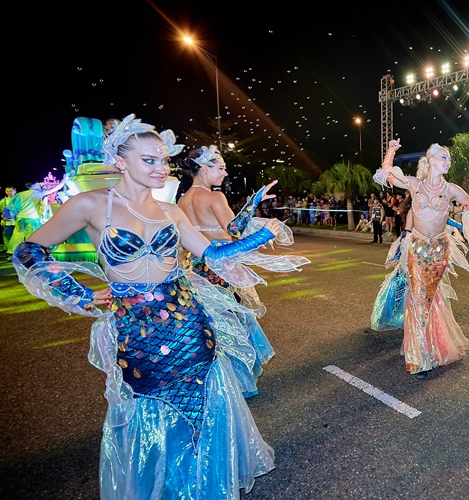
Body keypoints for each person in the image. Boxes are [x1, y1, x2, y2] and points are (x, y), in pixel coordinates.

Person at [12, 115, 280, 498]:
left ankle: (204, 488)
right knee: (147, 406)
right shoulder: (91, 205)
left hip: (189, 323)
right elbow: (29, 250)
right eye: (149, 160)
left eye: (163, 160)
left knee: (204, 405)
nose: (160, 168)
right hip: (137, 329)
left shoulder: (172, 211)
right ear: (120, 161)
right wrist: (79, 295)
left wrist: (258, 236)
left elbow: (214, 254)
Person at [176, 145, 309, 397]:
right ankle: (236, 380)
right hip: (220, 267)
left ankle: (214, 380)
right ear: (203, 168)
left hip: (196, 266)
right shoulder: (214, 197)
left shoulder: (182, 200)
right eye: (220, 168)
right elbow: (234, 230)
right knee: (232, 322)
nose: (225, 173)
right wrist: (253, 202)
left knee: (211, 322)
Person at [373, 139, 469, 379]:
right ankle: (418, 357)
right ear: (430, 161)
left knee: (428, 299)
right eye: (443, 157)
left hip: (439, 251)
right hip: (417, 249)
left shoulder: (451, 189)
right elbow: (387, 175)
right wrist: (391, 151)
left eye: (449, 159)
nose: (448, 162)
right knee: (418, 298)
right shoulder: (415, 184)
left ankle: (432, 346)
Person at [1, 186, 16, 253]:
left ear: (15, 191)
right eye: (7, 191)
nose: (9, 192)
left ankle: (16, 250)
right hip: (8, 221)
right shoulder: (3, 201)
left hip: (17, 221)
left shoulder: (19, 200)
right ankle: (7, 249)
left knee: (17, 237)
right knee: (6, 235)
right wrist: (2, 218)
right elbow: (2, 211)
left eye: (10, 191)